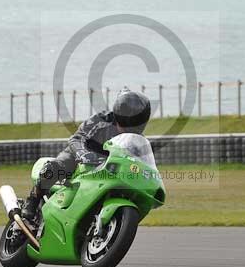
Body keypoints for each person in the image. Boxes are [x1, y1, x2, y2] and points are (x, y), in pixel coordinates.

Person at [21, 88, 151, 221]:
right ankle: (33, 200)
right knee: (57, 166)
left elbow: (140, 164)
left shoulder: (137, 140)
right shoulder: (101, 120)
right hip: (80, 157)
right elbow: (77, 138)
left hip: (107, 168)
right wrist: (84, 154)